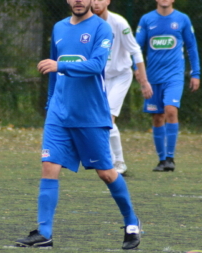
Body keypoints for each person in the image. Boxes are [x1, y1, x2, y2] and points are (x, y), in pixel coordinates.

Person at [14, 0, 141, 249]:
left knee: (106, 173)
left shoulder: (102, 28)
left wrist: (60, 65)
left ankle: (131, 221)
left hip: (90, 116)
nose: (79, 0)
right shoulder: (59, 28)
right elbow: (52, 71)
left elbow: (95, 65)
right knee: (49, 166)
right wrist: (51, 103)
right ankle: (44, 232)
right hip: (58, 114)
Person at [135, 0, 200, 172]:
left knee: (170, 110)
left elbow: (192, 47)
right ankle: (162, 160)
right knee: (157, 117)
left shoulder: (182, 19)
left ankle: (170, 158)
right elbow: (136, 48)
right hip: (153, 78)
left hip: (174, 76)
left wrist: (195, 73)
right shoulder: (146, 19)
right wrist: (138, 70)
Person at [92, 0, 153, 175]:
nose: (96, 2)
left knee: (107, 118)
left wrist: (144, 81)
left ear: (108, 1)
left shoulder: (119, 23)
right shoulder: (87, 24)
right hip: (100, 78)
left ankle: (119, 162)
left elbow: (135, 50)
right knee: (99, 121)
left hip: (120, 76)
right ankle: (112, 161)